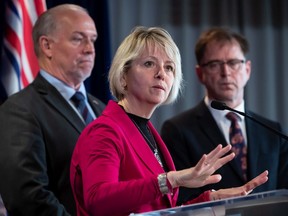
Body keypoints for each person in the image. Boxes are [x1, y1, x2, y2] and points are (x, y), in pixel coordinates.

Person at [70, 26, 268, 216]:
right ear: (123, 76)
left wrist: (212, 198)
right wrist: (172, 179)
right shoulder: (104, 131)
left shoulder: (147, 132)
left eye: (169, 67)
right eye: (149, 63)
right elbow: (98, 201)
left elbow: (159, 209)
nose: (161, 74)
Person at [161, 26, 288, 205]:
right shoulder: (178, 130)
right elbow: (178, 200)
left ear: (248, 69)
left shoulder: (273, 131)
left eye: (234, 63)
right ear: (200, 73)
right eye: (214, 64)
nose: (226, 73)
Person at [0, 4, 106, 215]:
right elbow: (28, 198)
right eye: (78, 39)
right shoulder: (19, 110)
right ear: (47, 45)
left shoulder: (101, 109)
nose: (90, 49)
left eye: (92, 39)